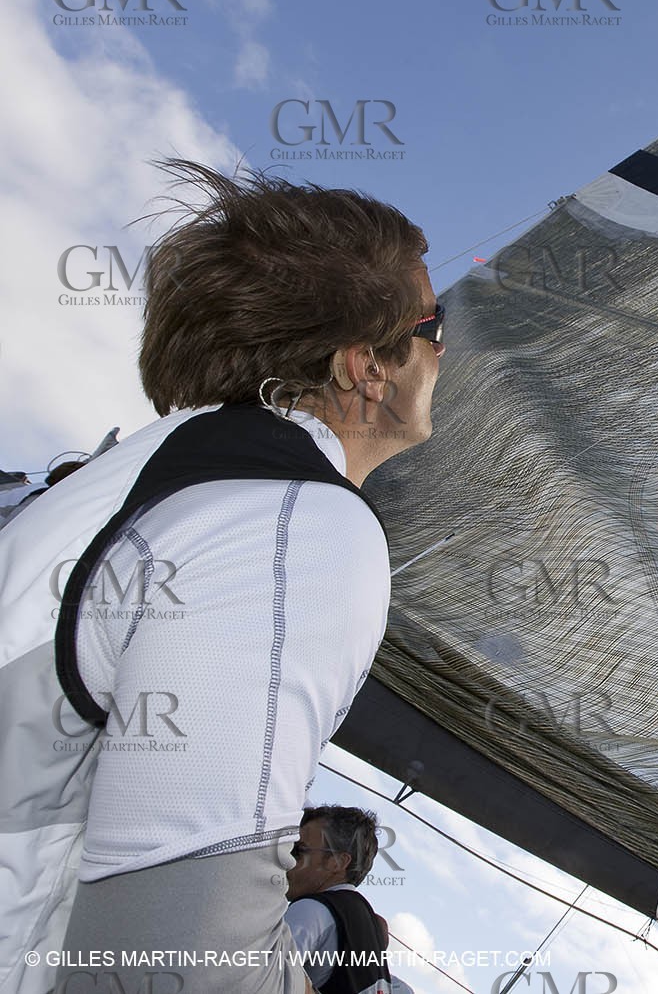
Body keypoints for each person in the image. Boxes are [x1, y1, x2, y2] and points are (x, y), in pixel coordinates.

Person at [0, 159, 443, 994]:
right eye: (436, 325)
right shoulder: (291, 527)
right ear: (366, 366)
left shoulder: (145, 476)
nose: (445, 354)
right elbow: (175, 962)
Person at [285, 807, 412, 994]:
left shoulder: (311, 910)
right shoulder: (371, 925)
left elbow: (258, 979)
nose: (287, 859)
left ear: (336, 862)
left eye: (298, 850)